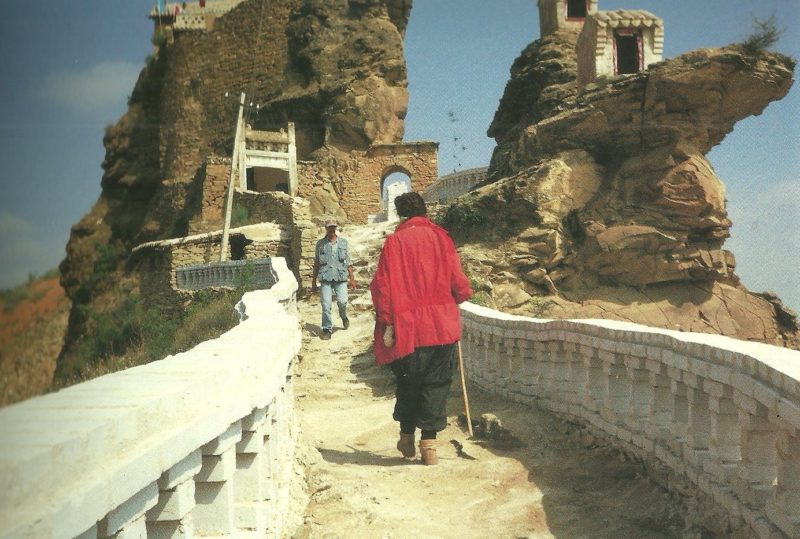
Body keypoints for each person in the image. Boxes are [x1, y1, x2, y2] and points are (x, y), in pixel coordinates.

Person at [369, 192, 473, 465]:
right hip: (441, 325)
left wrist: (386, 321)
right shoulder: (441, 238)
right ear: (424, 211)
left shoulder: (394, 243)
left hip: (408, 328)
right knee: (437, 383)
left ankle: (406, 435)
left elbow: (382, 286)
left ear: (402, 214)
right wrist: (461, 293)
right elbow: (457, 279)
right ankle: (429, 444)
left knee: (408, 382)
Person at [311, 217, 356, 340]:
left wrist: (352, 279)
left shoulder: (343, 243)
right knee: (326, 305)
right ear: (326, 228)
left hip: (340, 277)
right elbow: (316, 263)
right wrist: (313, 282)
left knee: (342, 302)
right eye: (329, 227)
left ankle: (344, 316)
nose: (331, 229)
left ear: (336, 228)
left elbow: (348, 262)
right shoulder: (320, 244)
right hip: (325, 277)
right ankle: (327, 329)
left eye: (333, 227)